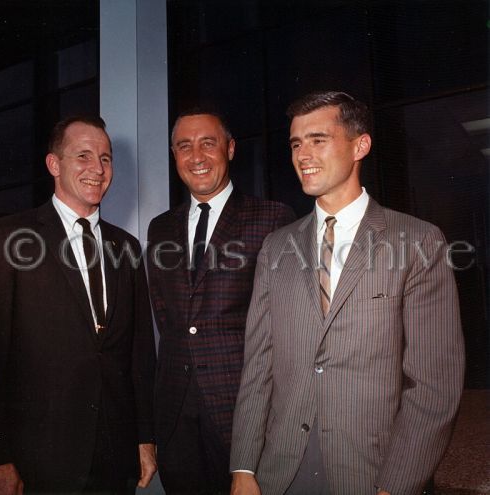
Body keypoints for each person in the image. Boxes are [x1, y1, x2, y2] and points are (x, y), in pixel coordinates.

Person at [230, 91, 465, 495]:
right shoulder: (275, 247)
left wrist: (397, 484)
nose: (303, 153)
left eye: (318, 139)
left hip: (372, 472)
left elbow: (434, 385)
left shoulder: (417, 241)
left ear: (361, 145)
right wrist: (244, 468)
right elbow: (258, 367)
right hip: (280, 471)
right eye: (296, 143)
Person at [0, 116, 157, 494]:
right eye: (83, 155)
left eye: (105, 158)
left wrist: (145, 438)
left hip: (115, 460)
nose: (98, 169)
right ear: (54, 165)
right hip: (37, 463)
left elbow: (139, 353)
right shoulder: (7, 239)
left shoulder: (126, 248)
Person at [147, 108, 295, 494]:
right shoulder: (160, 227)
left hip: (242, 413)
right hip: (175, 414)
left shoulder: (273, 219)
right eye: (184, 146)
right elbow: (166, 315)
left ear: (230, 149)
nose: (196, 156)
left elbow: (284, 327)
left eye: (207, 143)